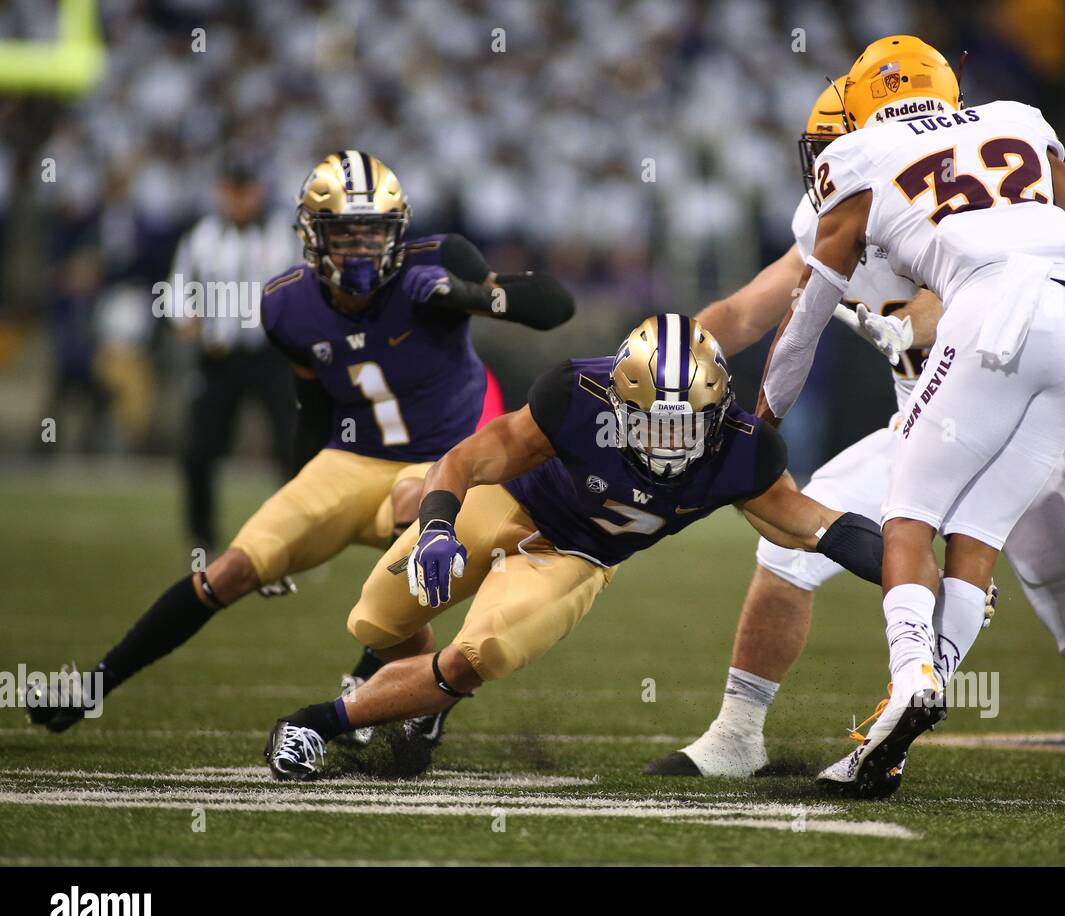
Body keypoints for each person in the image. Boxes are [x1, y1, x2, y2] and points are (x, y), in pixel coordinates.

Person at [648, 69, 1065, 789]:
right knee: (793, 545)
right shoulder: (876, 199)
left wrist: (930, 313)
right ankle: (743, 734)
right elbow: (750, 310)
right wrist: (662, 356)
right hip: (942, 410)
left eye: (834, 140)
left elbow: (995, 279)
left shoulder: (909, 179)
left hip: (995, 388)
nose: (824, 160)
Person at [26, 150, 574, 733]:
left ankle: (400, 691)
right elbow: (312, 412)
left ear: (397, 233)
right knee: (232, 569)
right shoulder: (286, 305)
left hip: (437, 460)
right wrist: (290, 502)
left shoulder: (438, 260)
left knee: (411, 508)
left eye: (373, 233)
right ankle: (94, 685)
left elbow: (554, 307)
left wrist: (466, 293)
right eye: (344, 233)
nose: (360, 248)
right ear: (314, 236)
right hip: (351, 458)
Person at [755, 36, 1065, 798]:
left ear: (864, 101)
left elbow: (805, 319)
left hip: (990, 315)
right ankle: (895, 736)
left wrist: (763, 414)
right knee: (980, 532)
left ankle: (911, 684)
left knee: (907, 515)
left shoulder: (860, 155)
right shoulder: (1014, 119)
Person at [263, 314, 889, 781]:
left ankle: (314, 724)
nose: (670, 443)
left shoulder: (744, 452)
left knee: (472, 656)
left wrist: (907, 571)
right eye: (654, 422)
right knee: (376, 616)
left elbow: (816, 526)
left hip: (575, 557)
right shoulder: (573, 395)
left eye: (686, 425)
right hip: (511, 503)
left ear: (718, 413)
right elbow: (465, 460)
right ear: (617, 404)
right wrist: (435, 526)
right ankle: (419, 707)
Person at [168, 158, 298, 554]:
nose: (239, 200)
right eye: (231, 191)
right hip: (219, 355)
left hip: (271, 355)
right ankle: (202, 536)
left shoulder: (283, 236)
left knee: (291, 446)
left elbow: (305, 285)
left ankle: (294, 535)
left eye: (245, 191)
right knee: (198, 448)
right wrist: (184, 318)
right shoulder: (201, 237)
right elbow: (177, 287)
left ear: (258, 192)